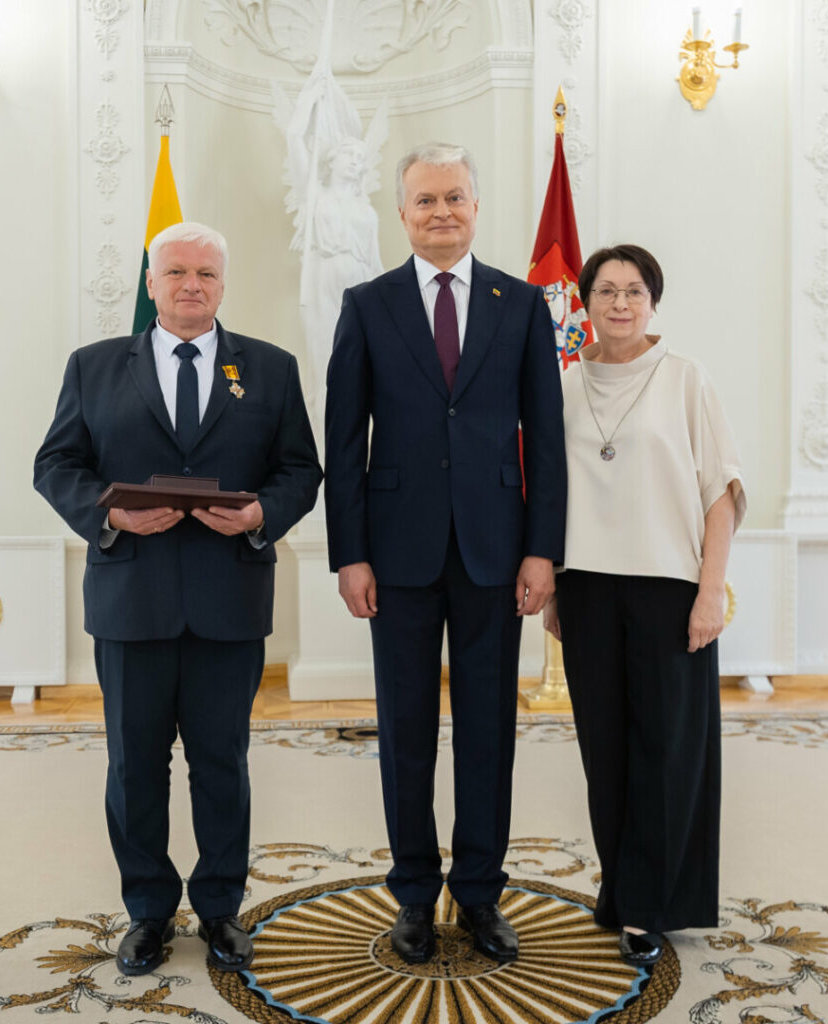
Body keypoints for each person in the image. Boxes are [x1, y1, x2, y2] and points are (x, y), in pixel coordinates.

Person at [33, 222, 321, 978]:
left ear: (223, 284)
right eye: (177, 272)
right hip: (132, 597)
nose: (192, 285)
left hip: (230, 598)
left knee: (222, 761)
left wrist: (262, 514)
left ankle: (221, 908)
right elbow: (56, 463)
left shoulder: (270, 368)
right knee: (135, 765)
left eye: (206, 273)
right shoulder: (95, 366)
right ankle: (149, 911)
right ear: (151, 283)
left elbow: (300, 470)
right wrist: (108, 515)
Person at [324, 143, 565, 965]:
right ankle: (415, 898)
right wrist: (350, 554)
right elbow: (343, 439)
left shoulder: (521, 304)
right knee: (406, 732)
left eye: (455, 197)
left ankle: (481, 893)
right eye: (425, 200)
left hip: (498, 551)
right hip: (396, 554)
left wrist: (543, 551)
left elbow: (547, 439)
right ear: (402, 214)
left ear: (476, 206)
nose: (442, 212)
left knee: (489, 729)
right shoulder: (367, 305)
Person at [542, 244, 746, 967]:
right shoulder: (566, 385)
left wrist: (710, 591)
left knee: (667, 750)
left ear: (653, 302)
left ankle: (652, 905)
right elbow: (553, 493)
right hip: (588, 587)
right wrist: (555, 588)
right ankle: (623, 889)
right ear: (586, 302)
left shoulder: (686, 378)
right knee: (606, 751)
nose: (620, 303)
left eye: (634, 291)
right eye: (606, 291)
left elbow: (720, 493)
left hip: (669, 588)